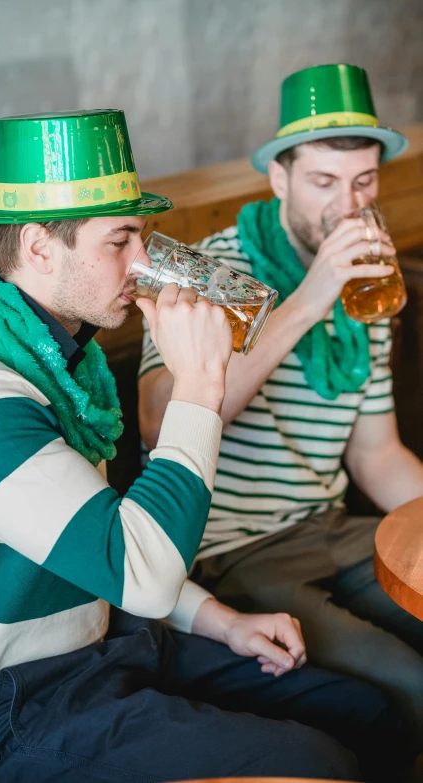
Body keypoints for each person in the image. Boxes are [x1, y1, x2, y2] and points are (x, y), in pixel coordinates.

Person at [0, 110, 410, 783]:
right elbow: (140, 567)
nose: (143, 261)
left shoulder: (61, 364)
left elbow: (98, 546)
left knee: (365, 711)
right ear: (39, 246)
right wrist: (201, 382)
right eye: (120, 240)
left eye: (138, 236)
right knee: (319, 759)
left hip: (92, 652)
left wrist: (221, 620)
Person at [139, 64, 423, 756]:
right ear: (279, 180)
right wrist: (308, 299)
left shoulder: (369, 284)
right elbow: (157, 422)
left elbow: (375, 455)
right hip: (233, 549)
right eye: (324, 182)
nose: (347, 206)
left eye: (363, 181)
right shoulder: (212, 273)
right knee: (411, 683)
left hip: (331, 524)